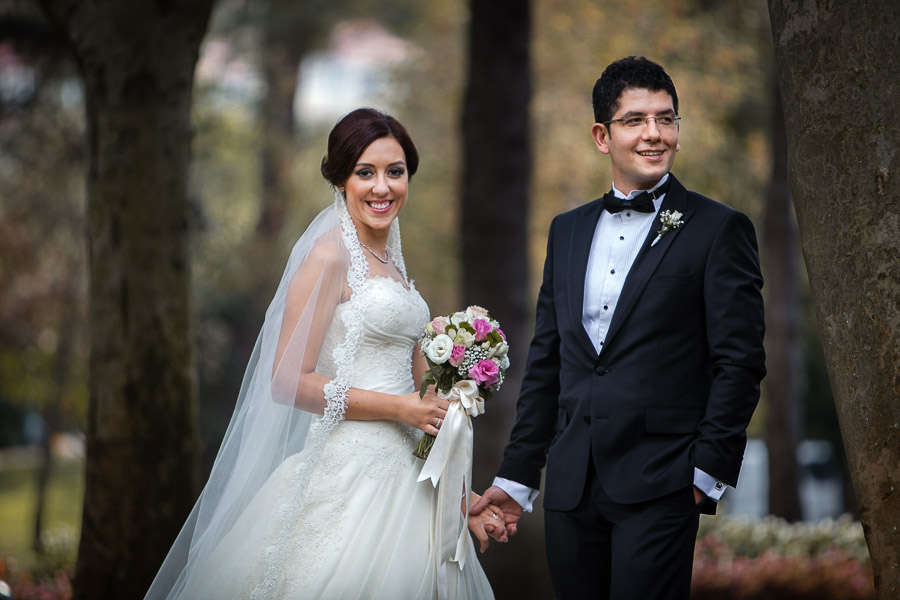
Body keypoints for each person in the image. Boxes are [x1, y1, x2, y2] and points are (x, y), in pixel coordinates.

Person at [145, 108, 504, 600]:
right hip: (349, 473)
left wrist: (462, 499)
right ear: (339, 179)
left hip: (408, 475)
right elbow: (288, 380)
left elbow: (422, 394)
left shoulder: (391, 260)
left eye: (395, 172)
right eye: (365, 172)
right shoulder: (329, 256)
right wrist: (401, 407)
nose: (383, 187)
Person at [472, 56, 766, 599]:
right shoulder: (566, 231)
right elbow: (547, 365)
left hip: (664, 484)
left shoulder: (720, 229)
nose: (655, 134)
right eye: (636, 120)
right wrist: (516, 478)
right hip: (571, 487)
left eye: (667, 118)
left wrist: (706, 473)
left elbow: (741, 360)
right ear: (602, 136)